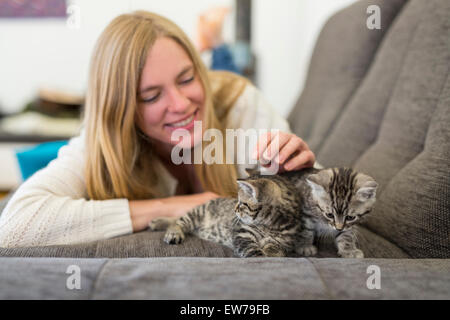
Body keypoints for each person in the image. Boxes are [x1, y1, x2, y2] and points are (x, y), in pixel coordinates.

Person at [0, 11, 315, 248]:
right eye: (151, 96)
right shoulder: (101, 142)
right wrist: (173, 207)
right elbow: (14, 228)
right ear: (121, 111)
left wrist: (299, 175)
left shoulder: (239, 104)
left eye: (187, 78)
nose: (180, 104)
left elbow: (320, 216)